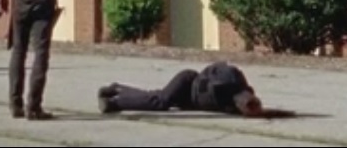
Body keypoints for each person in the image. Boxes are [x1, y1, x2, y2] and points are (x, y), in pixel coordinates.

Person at [97, 61, 264, 117]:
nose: (245, 106)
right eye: (248, 103)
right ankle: (114, 103)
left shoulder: (232, 108)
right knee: (160, 102)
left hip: (188, 100)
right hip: (187, 82)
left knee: (153, 96)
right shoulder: (231, 81)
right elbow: (212, 70)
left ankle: (117, 89)